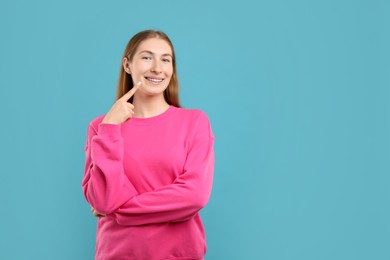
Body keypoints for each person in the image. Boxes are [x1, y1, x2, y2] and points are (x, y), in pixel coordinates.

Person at [82, 30, 215, 260]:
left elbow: (195, 196)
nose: (157, 67)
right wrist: (110, 129)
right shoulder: (101, 127)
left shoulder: (194, 122)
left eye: (165, 59)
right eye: (146, 57)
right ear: (127, 65)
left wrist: (118, 211)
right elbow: (103, 201)